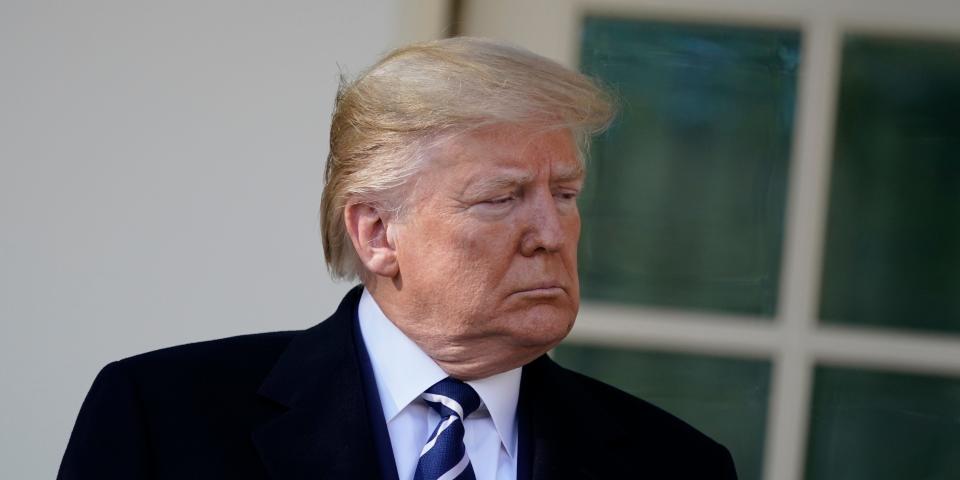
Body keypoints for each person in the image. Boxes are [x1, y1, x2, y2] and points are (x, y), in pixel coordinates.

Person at [58, 37, 737, 480]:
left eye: (565, 193)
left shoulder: (677, 465)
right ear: (377, 232)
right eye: (502, 199)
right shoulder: (162, 419)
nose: (551, 233)